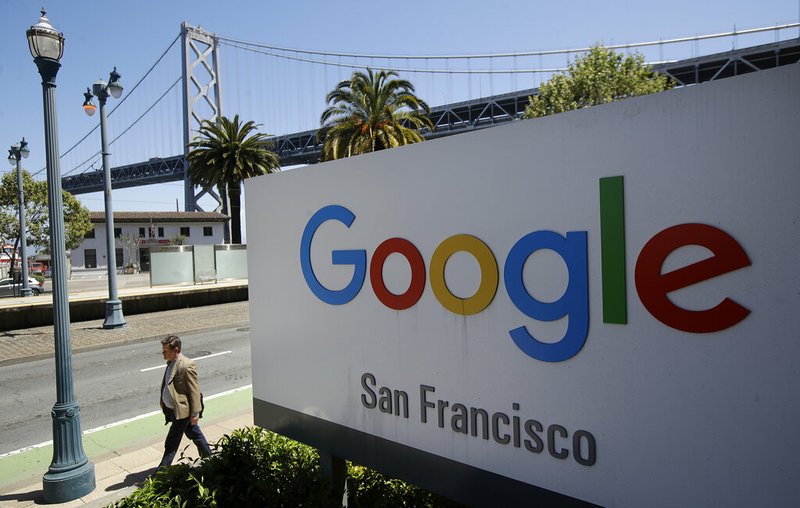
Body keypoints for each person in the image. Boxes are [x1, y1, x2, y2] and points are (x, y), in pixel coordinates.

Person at [157, 334, 212, 469]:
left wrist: (195, 413)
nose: (163, 353)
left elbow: (194, 391)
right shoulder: (171, 363)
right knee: (195, 434)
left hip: (183, 412)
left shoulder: (186, 365)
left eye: (165, 350)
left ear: (175, 350)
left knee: (171, 443)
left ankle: (161, 474)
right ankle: (211, 458)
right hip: (174, 410)